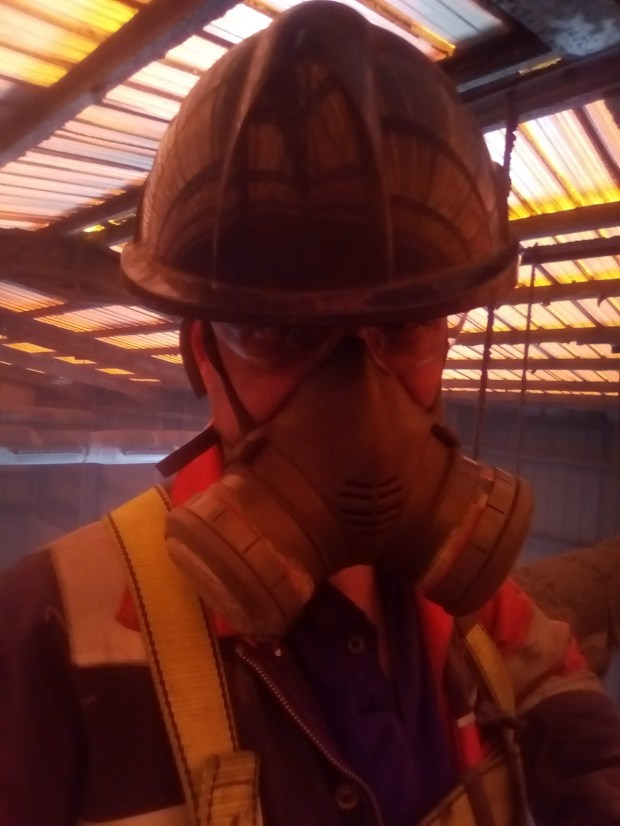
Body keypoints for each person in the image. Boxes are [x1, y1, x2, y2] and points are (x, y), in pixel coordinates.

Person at [2, 3, 620, 825]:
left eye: (405, 327)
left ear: (445, 333)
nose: (359, 409)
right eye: (279, 334)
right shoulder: (46, 632)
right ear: (203, 353)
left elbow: (553, 671)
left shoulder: (463, 593)